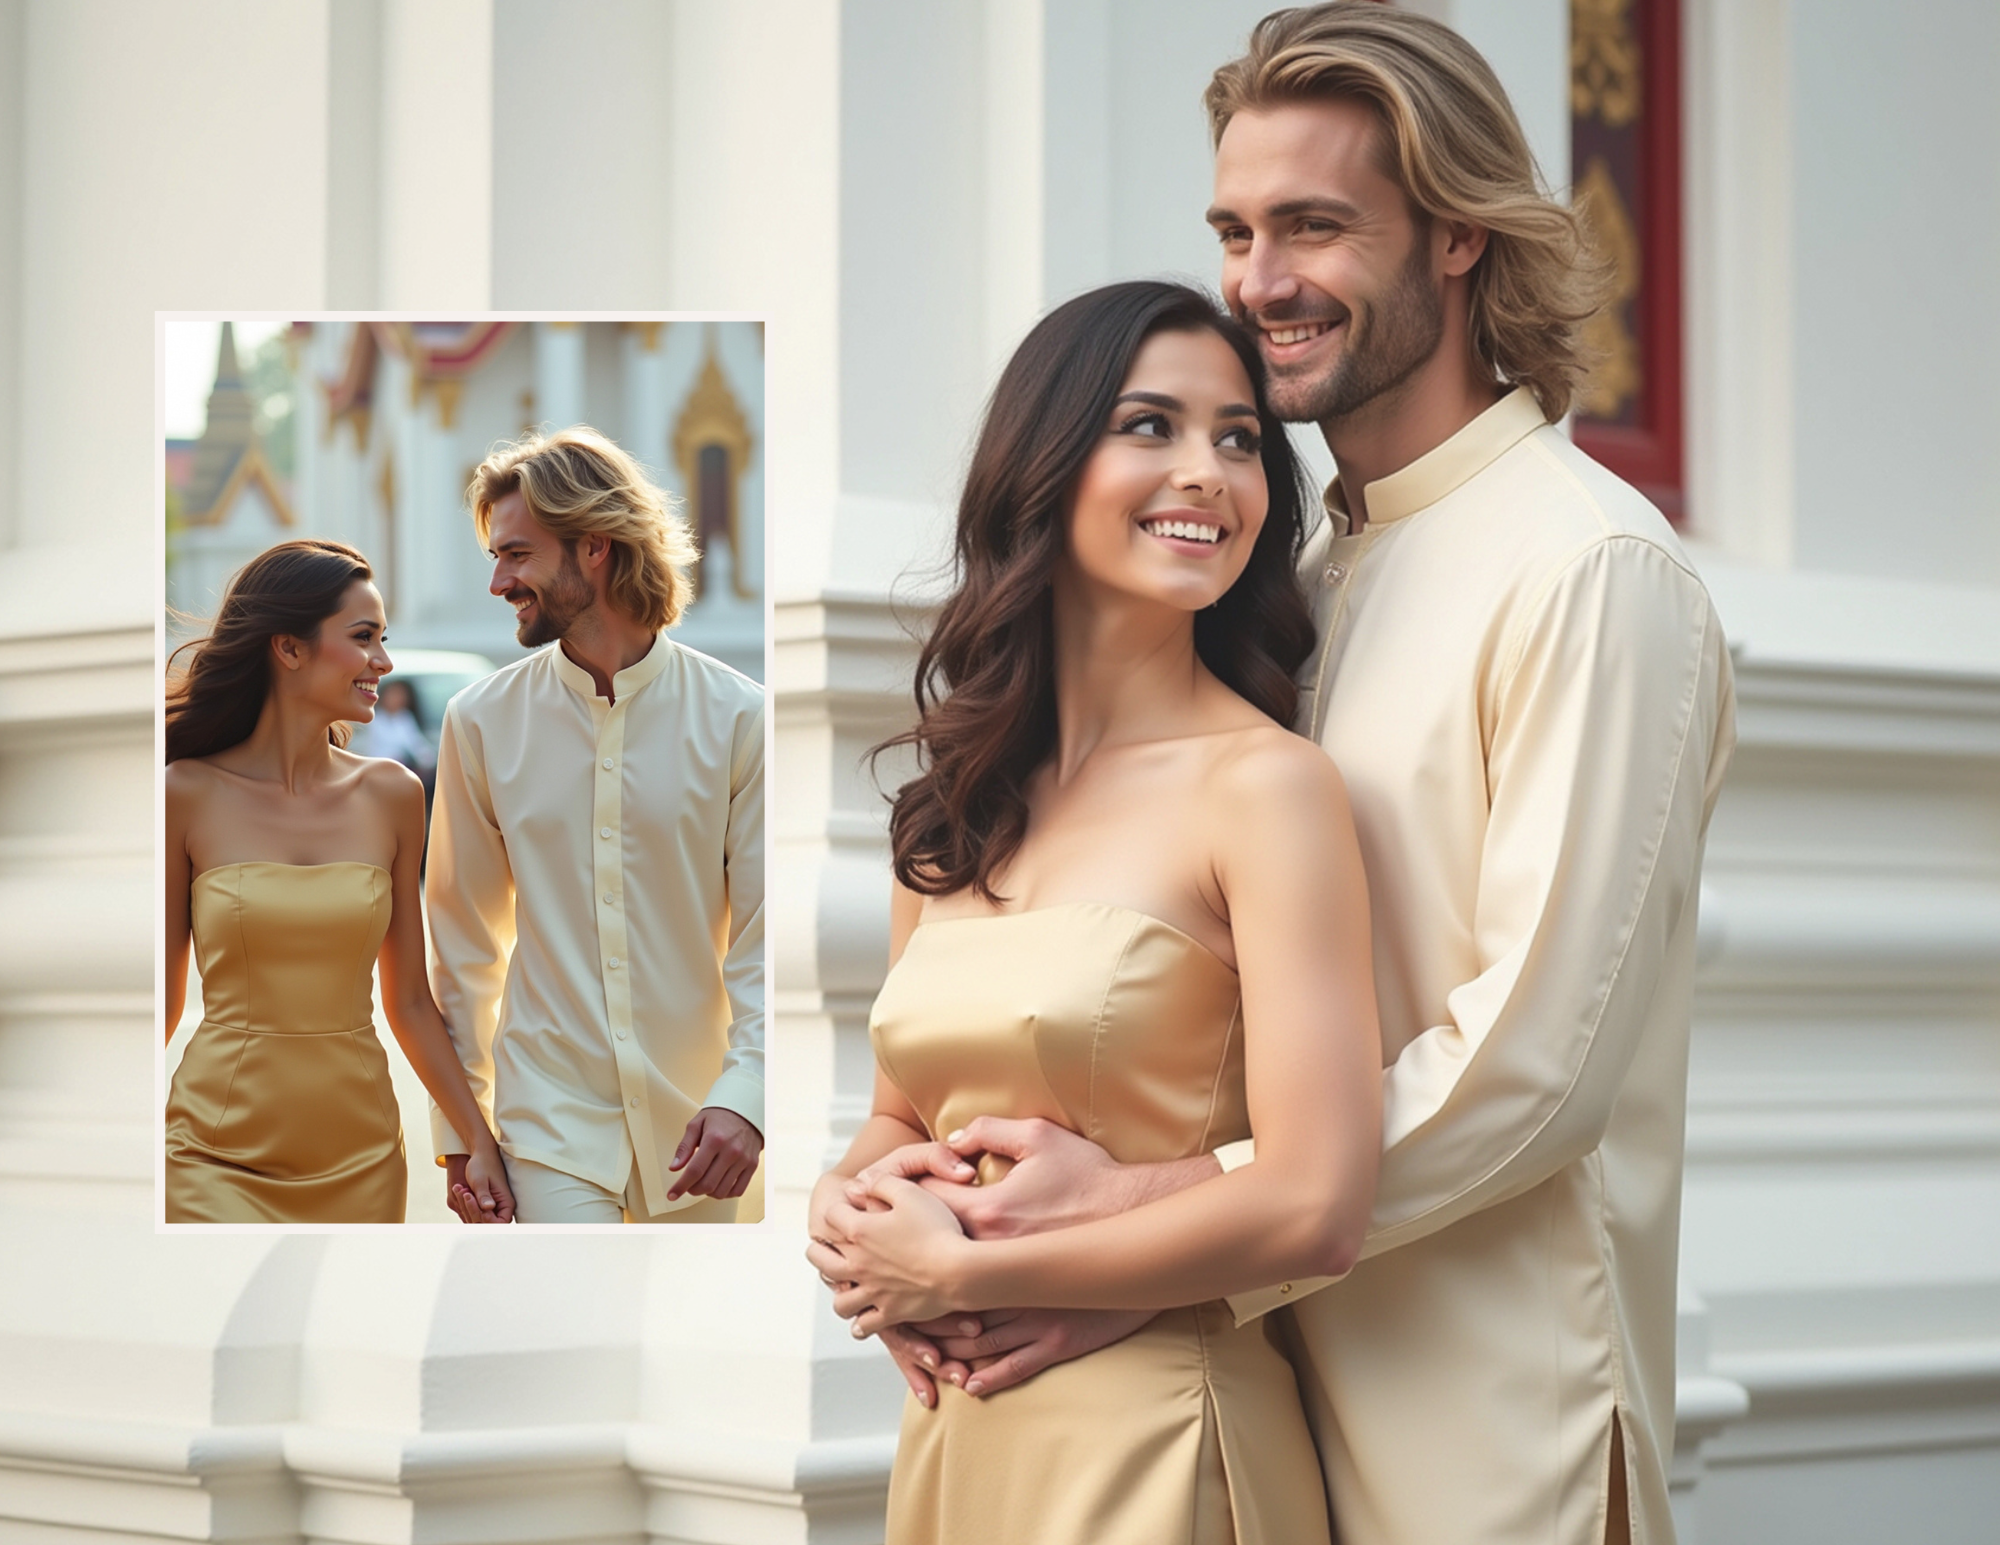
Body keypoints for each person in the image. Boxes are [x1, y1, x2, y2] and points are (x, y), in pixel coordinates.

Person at [817, 7, 1738, 1545]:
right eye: (1236, 231)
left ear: (1457, 235)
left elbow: (1536, 1067)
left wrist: (1140, 1216)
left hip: (1483, 1426)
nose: (1259, 282)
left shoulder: (1587, 569)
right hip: (1251, 1379)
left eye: (1315, 225)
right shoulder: (1297, 578)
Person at [807, 280, 1383, 1544]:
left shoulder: (1266, 789)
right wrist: (840, 1211)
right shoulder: (956, 808)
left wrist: (965, 1270)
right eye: (1150, 425)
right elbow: (899, 1117)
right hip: (958, 1436)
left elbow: (1316, 1203)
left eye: (1239, 438)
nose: (1208, 473)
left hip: (1163, 1444)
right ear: (1044, 465)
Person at [428, 426, 764, 1225]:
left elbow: (765, 936)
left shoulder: (740, 718)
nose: (498, 582)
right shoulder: (479, 722)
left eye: (517, 555)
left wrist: (748, 1093)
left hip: (703, 1128)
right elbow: (463, 947)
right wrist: (462, 1135)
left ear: (595, 548)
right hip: (548, 1124)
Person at [162, 540, 514, 1224]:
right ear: (289, 648)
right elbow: (163, 1004)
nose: (384, 661)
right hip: (211, 1152)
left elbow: (410, 1002)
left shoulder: (394, 795)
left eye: (384, 639)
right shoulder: (185, 793)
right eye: (362, 638)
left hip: (362, 1154)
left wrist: (476, 1140)